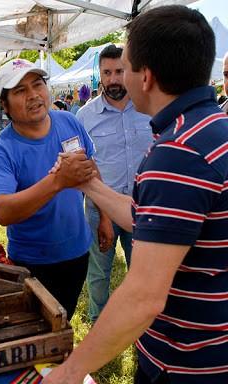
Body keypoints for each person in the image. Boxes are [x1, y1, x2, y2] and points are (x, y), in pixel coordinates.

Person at [43, 5, 228, 384]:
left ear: (146, 77)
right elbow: (155, 218)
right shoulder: (211, 127)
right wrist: (89, 185)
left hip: (187, 363)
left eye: (124, 67)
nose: (118, 77)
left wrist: (72, 371)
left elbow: (144, 296)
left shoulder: (179, 153)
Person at [0, 58, 113, 319]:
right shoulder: (1, 152)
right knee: (38, 330)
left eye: (38, 85)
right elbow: (3, 211)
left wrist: (106, 217)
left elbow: (91, 168)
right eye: (20, 91)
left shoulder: (68, 121)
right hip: (33, 262)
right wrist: (57, 181)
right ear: (5, 105)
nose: (33, 95)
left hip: (77, 252)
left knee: (63, 321)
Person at [76, 44, 152, 322]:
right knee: (98, 273)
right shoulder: (85, 117)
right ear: (99, 75)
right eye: (106, 73)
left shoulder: (148, 108)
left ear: (128, 70)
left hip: (143, 209)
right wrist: (105, 216)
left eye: (119, 71)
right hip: (100, 209)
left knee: (141, 271)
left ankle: (139, 323)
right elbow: (84, 169)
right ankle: (98, 321)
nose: (112, 79)